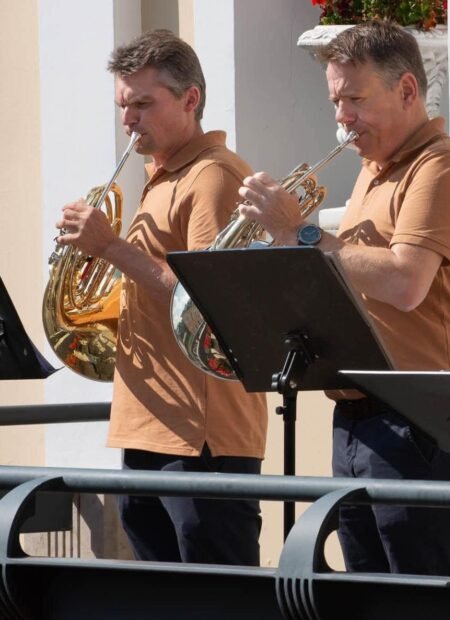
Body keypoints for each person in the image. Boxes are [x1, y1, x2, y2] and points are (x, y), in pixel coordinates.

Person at [238, 20, 450, 576]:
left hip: (418, 418)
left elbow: (404, 282)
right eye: (335, 100)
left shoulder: (440, 166)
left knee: (417, 599)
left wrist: (300, 233)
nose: (341, 117)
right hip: (357, 415)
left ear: (406, 90)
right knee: (366, 598)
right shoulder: (372, 174)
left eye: (355, 98)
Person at [56, 30, 267, 565]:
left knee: (217, 599)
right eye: (123, 106)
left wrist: (107, 245)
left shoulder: (213, 176)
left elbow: (207, 302)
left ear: (190, 99)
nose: (129, 120)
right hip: (148, 422)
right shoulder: (160, 178)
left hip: (202, 437)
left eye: (143, 104)